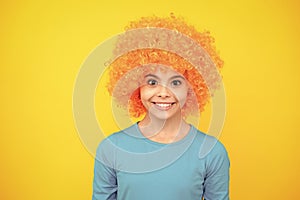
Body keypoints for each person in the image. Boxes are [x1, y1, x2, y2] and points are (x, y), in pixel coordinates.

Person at [92, 15, 230, 200]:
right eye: (152, 82)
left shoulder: (212, 152)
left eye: (175, 82)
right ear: (136, 86)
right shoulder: (111, 149)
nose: (163, 93)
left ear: (191, 89)